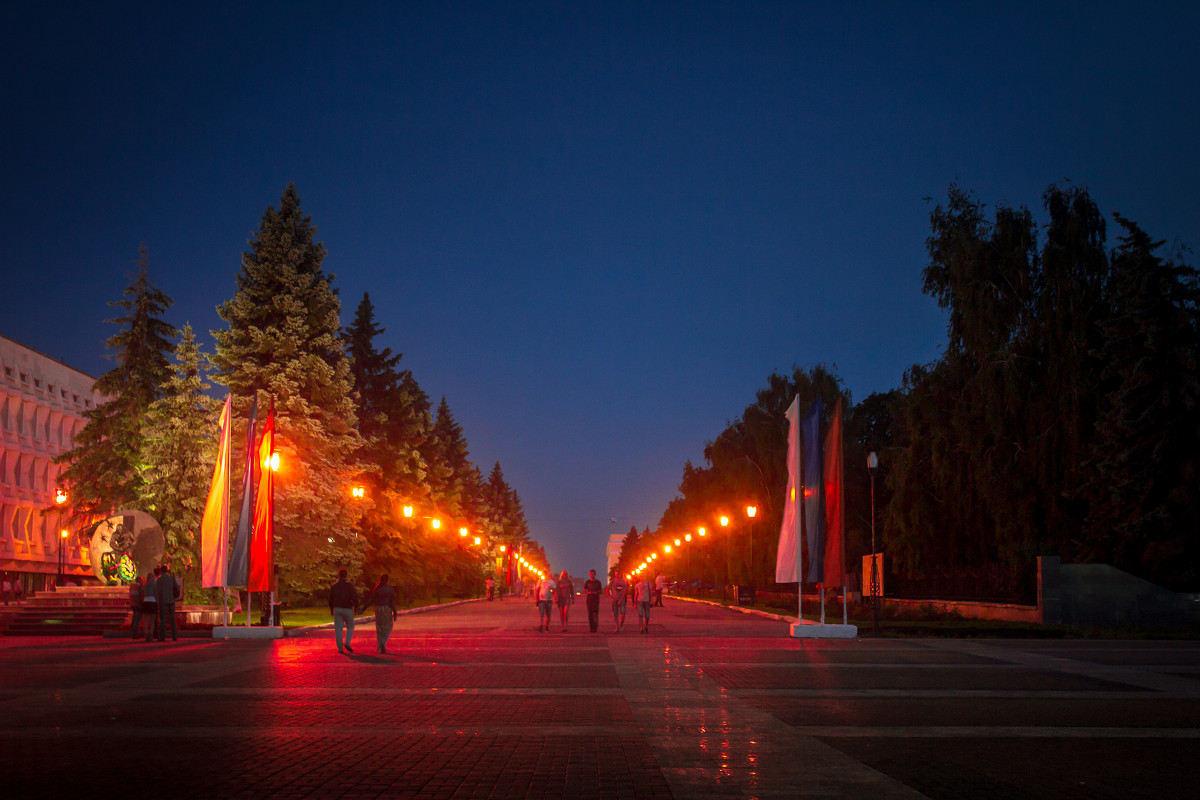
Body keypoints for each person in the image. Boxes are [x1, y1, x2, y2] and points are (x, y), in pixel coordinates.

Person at [358, 574, 397, 654]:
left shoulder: (377, 589)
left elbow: (371, 600)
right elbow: (392, 602)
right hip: (387, 609)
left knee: (379, 627)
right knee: (388, 626)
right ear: (388, 580)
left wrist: (363, 609)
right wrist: (395, 612)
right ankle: (383, 642)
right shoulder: (390, 589)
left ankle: (381, 643)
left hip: (378, 609)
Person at [329, 569, 358, 653]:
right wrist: (356, 606)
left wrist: (331, 609)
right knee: (350, 626)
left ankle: (340, 648)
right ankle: (347, 642)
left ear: (338, 575)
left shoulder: (334, 586)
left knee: (338, 629)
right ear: (346, 576)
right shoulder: (349, 586)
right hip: (347, 608)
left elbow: (330, 600)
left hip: (337, 608)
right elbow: (354, 597)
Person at [154, 563, 178, 641]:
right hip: (171, 599)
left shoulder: (159, 580)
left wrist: (158, 601)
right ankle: (174, 636)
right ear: (167, 570)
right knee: (172, 619)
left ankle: (163, 636)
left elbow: (157, 592)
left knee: (163, 619)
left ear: (161, 571)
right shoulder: (171, 578)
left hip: (163, 601)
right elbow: (176, 588)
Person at [142, 566, 160, 640]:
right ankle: (151, 635)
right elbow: (156, 594)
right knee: (152, 621)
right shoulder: (154, 585)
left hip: (146, 602)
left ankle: (146, 634)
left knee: (146, 621)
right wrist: (157, 602)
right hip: (153, 602)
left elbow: (143, 594)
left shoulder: (145, 586)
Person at [128, 574, 145, 639]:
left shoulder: (131, 586)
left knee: (134, 618)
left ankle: (132, 632)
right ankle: (135, 634)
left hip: (132, 604)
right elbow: (141, 595)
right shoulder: (139, 586)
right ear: (140, 580)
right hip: (138, 604)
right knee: (137, 620)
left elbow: (130, 595)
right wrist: (143, 603)